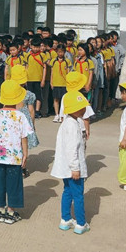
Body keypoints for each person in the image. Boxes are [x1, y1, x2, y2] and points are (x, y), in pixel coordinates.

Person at [0, 80, 33, 224]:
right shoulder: (20, 116)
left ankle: (1, 209)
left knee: (0, 182)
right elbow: (24, 137)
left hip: (0, 155)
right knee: (14, 183)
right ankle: (11, 211)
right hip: (14, 156)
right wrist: (25, 154)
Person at [51, 91, 90, 234]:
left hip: (66, 167)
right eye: (82, 107)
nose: (85, 109)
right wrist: (75, 168)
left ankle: (65, 219)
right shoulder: (72, 126)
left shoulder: (68, 122)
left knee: (67, 191)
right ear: (75, 109)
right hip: (73, 168)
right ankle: (81, 223)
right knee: (78, 194)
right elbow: (72, 148)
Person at [10, 66, 39, 178]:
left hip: (12, 120)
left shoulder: (9, 93)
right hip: (24, 121)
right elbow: (31, 110)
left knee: (13, 143)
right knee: (23, 145)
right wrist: (32, 124)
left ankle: (14, 164)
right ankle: (22, 168)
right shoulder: (28, 94)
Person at [50, 46, 69, 122]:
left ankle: (63, 115)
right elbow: (52, 72)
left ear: (64, 52)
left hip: (64, 84)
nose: (60, 53)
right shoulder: (53, 61)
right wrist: (51, 82)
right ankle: (56, 114)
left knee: (63, 100)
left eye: (62, 52)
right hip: (56, 83)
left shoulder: (67, 61)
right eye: (58, 52)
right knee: (56, 99)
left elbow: (68, 72)